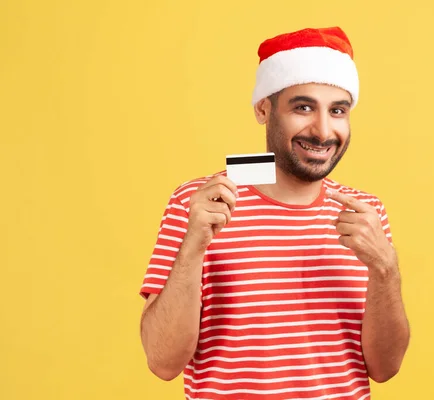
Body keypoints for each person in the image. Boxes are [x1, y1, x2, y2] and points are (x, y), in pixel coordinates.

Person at [139, 26, 410, 399]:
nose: (322, 130)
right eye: (303, 107)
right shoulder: (200, 203)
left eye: (338, 110)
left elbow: (385, 368)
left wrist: (386, 269)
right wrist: (192, 250)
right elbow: (162, 362)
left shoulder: (364, 213)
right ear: (263, 109)